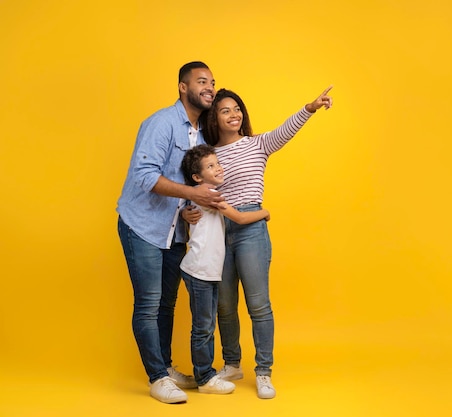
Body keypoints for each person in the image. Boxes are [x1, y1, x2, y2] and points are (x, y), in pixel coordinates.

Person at [189, 85, 333, 399]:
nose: (233, 114)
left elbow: (286, 129)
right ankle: (232, 364)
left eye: (237, 109)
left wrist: (309, 107)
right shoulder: (208, 151)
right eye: (225, 110)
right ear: (214, 117)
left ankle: (264, 371)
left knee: (258, 305)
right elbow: (195, 185)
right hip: (217, 229)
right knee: (224, 306)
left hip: (250, 229)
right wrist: (188, 212)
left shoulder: (258, 144)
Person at [116, 61, 225, 404]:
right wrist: (193, 195)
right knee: (148, 304)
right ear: (182, 86)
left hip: (174, 231)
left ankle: (164, 366)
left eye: (212, 82)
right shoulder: (160, 123)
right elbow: (145, 177)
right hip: (142, 226)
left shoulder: (203, 134)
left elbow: (187, 182)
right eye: (201, 81)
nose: (209, 87)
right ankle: (157, 377)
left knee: (166, 304)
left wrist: (188, 208)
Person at [179, 144, 270, 395]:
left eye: (217, 163)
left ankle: (207, 373)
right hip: (199, 269)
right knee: (203, 327)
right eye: (211, 166)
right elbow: (239, 218)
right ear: (197, 177)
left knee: (206, 324)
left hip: (204, 269)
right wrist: (264, 212)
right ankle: (205, 376)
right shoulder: (210, 194)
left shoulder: (201, 193)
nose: (218, 168)